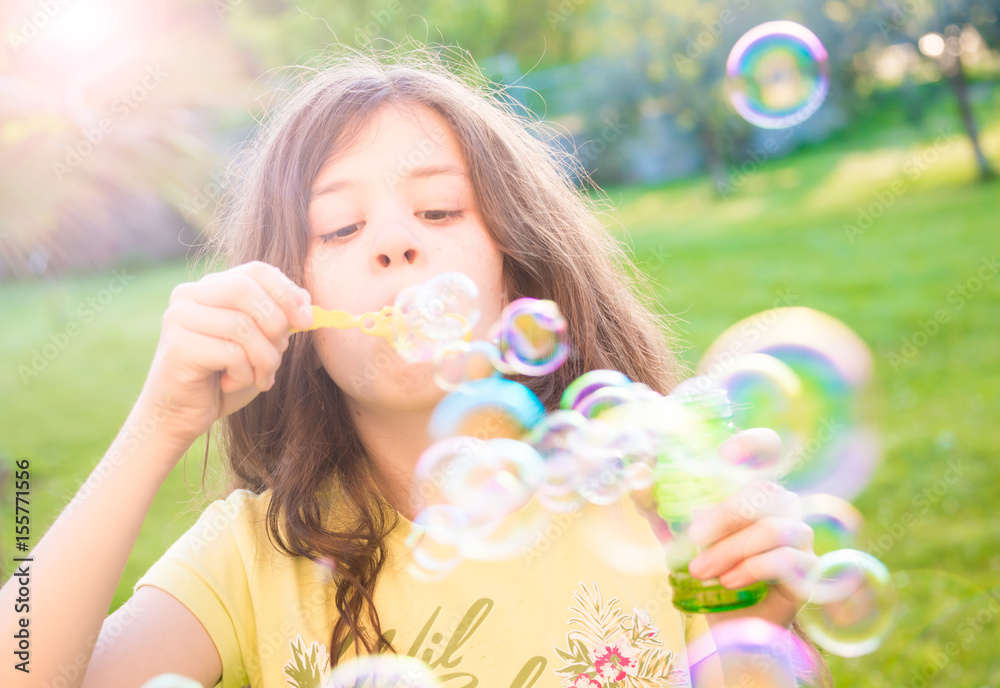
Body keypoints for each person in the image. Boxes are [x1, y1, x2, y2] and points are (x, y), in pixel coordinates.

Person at [0, 47, 822, 688]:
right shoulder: (253, 560)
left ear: (517, 270)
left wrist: (755, 628)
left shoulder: (658, 495)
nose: (396, 242)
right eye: (340, 228)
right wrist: (158, 427)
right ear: (290, 302)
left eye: (438, 210)